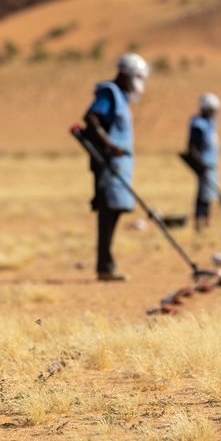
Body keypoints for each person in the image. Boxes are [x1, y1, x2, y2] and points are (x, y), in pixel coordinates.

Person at [82, 53, 150, 281]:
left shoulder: (121, 97)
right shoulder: (109, 94)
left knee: (115, 211)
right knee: (108, 213)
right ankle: (105, 267)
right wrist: (110, 146)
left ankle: (106, 265)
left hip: (120, 165)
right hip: (110, 166)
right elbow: (91, 118)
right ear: (125, 74)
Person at [186, 93, 221, 232]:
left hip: (211, 165)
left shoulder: (211, 124)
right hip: (204, 165)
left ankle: (207, 221)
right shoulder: (198, 124)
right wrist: (200, 165)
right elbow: (192, 147)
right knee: (203, 195)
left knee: (209, 195)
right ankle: (199, 224)